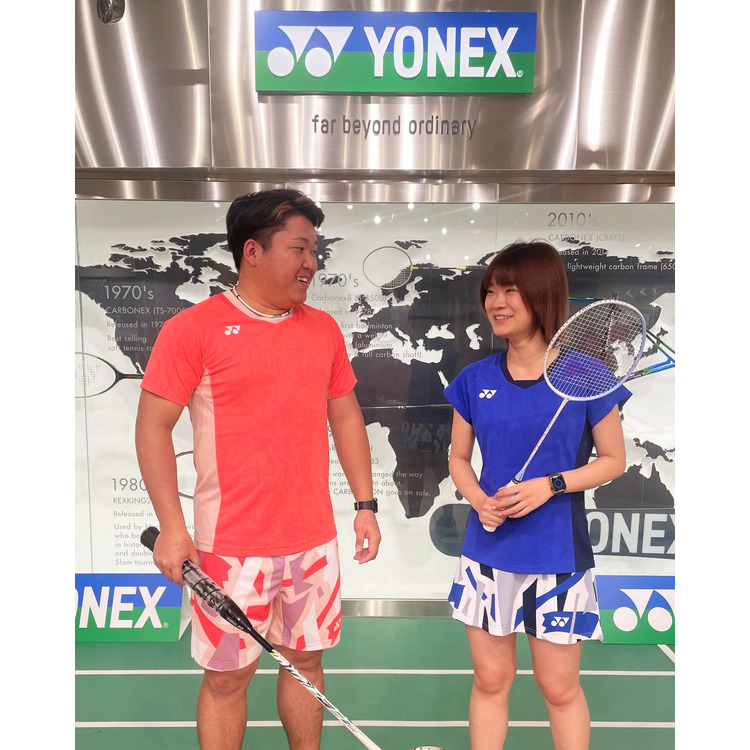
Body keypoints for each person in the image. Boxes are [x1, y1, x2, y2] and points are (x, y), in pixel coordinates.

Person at [135, 189, 381, 750]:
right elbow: (152, 428)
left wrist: (365, 505)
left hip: (313, 542)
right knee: (227, 679)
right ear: (252, 251)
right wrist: (172, 527)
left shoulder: (323, 329)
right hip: (229, 548)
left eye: (314, 250)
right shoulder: (192, 329)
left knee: (306, 664)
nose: (311, 262)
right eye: (299, 248)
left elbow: (345, 415)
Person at [443, 240, 630, 750]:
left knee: (559, 688)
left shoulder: (587, 377)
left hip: (558, 555)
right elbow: (458, 459)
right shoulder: (473, 379)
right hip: (488, 552)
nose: (496, 302)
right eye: (490, 291)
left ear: (542, 294)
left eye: (510, 290)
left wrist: (550, 485)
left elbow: (613, 460)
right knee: (490, 680)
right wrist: (479, 499)